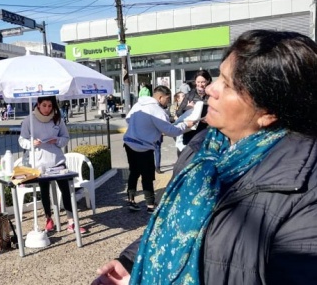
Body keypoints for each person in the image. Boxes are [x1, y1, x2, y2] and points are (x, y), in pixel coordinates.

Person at [92, 30, 317, 285]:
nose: (210, 88)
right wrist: (132, 262)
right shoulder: (202, 147)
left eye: (228, 84)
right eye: (218, 75)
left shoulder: (304, 192)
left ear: (269, 111)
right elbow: (171, 220)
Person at [18, 96, 87, 233]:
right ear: (38, 104)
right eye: (44, 105)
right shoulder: (29, 120)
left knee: (66, 190)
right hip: (40, 163)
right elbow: (22, 139)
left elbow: (65, 138)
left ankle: (71, 220)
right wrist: (31, 143)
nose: (47, 109)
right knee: (44, 192)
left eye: (50, 106)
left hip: (57, 161)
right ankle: (48, 218)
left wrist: (57, 140)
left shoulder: (57, 119)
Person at [123, 85, 194, 213]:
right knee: (148, 175)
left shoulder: (138, 104)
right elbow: (171, 130)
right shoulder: (156, 110)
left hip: (129, 143)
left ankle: (131, 200)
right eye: (167, 99)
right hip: (143, 147)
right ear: (160, 97)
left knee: (133, 172)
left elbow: (128, 119)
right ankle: (150, 205)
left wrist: (141, 126)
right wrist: (186, 124)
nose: (168, 102)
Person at [176, 69, 212, 148]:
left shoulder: (212, 95)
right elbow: (178, 113)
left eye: (203, 82)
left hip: (206, 131)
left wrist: (210, 120)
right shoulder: (190, 95)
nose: (200, 84)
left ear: (208, 81)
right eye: (198, 82)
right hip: (190, 132)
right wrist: (187, 108)